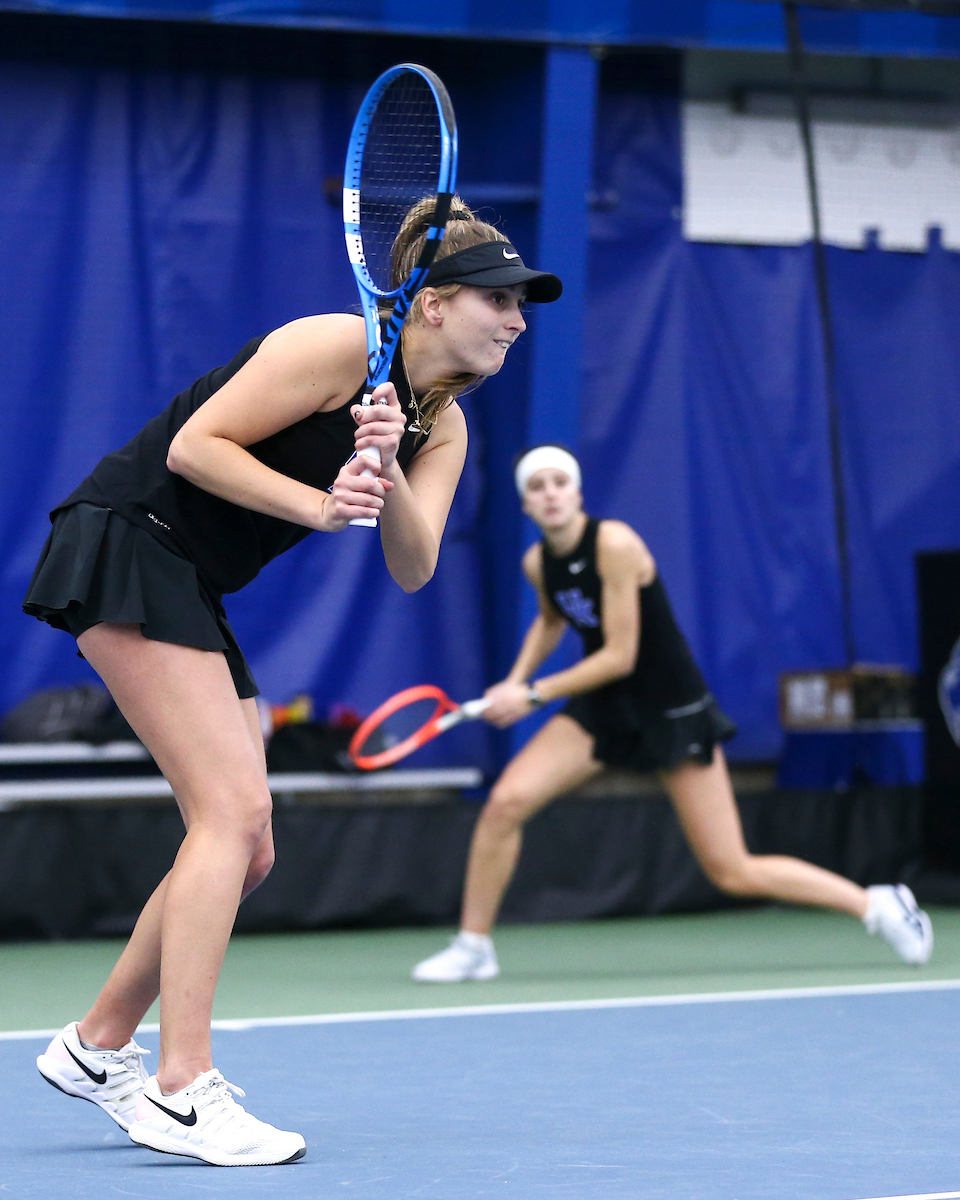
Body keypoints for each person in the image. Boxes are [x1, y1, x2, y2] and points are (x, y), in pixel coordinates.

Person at [25, 199, 561, 1165]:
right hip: (126, 540)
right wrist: (319, 504)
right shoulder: (336, 345)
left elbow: (414, 563)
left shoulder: (443, 427)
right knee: (226, 819)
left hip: (189, 578)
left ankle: (96, 1045)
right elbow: (196, 447)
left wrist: (387, 465)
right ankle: (183, 1088)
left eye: (524, 304)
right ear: (431, 304)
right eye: (497, 299)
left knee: (251, 845)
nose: (517, 319)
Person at [412, 445, 934, 984]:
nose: (550, 494)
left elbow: (620, 655)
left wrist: (533, 695)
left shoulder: (615, 544)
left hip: (669, 706)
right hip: (607, 704)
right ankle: (474, 946)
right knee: (505, 803)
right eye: (537, 487)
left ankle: (878, 904)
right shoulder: (537, 562)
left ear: (577, 493)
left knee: (730, 869)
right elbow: (551, 619)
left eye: (558, 483)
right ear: (525, 504)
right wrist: (516, 679)